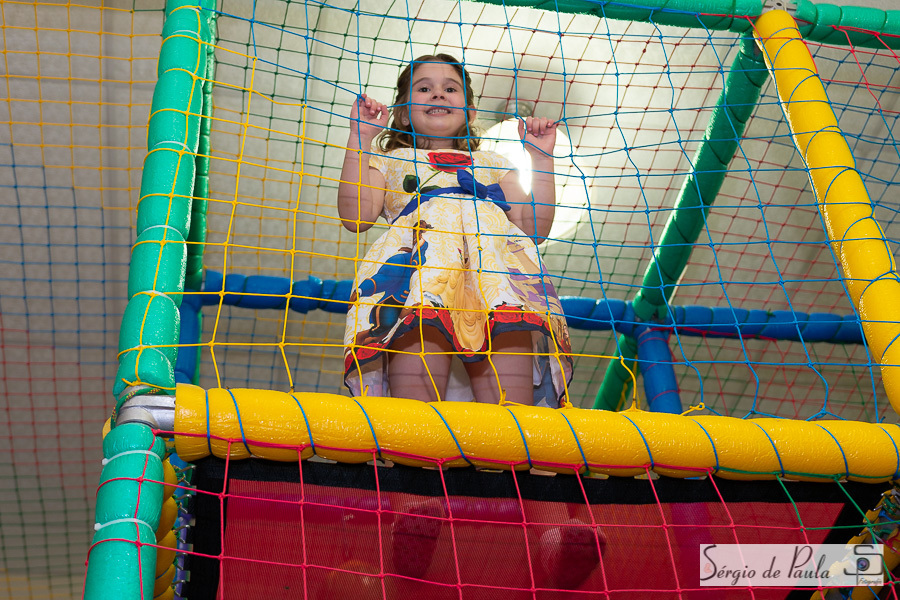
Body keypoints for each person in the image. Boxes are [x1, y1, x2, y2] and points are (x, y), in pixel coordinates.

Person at [339, 53, 573, 407]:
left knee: (513, 413)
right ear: (402, 112)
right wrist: (360, 138)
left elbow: (533, 227)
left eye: (450, 88)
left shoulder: (492, 163)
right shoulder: (388, 161)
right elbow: (355, 216)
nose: (438, 95)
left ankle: (509, 450)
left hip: (497, 286)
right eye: (425, 88)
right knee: (415, 411)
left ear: (471, 113)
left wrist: (541, 160)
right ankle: (416, 451)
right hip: (418, 283)